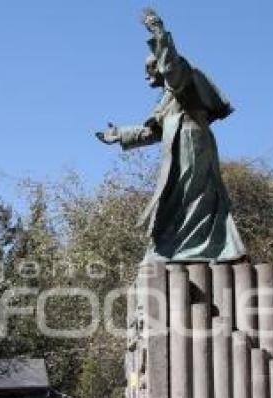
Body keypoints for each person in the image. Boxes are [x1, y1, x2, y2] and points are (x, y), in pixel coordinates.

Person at [95, 9, 245, 263]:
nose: (146, 76)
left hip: (191, 142)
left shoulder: (180, 79)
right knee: (180, 197)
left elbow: (170, 63)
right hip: (181, 142)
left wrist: (158, 33)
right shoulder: (169, 98)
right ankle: (183, 247)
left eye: (149, 69)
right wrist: (120, 134)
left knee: (191, 195)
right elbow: (155, 131)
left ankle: (193, 248)